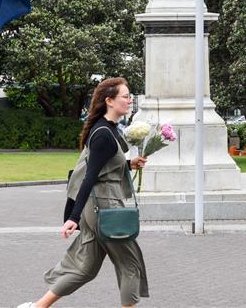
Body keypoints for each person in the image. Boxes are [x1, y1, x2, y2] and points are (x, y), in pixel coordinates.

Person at [18, 77, 149, 308]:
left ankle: (38, 307)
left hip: (97, 208)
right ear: (109, 100)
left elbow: (101, 169)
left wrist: (129, 164)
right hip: (105, 207)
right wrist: (72, 218)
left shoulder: (106, 129)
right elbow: (89, 177)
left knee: (85, 268)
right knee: (130, 265)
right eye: (125, 96)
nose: (129, 101)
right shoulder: (103, 134)